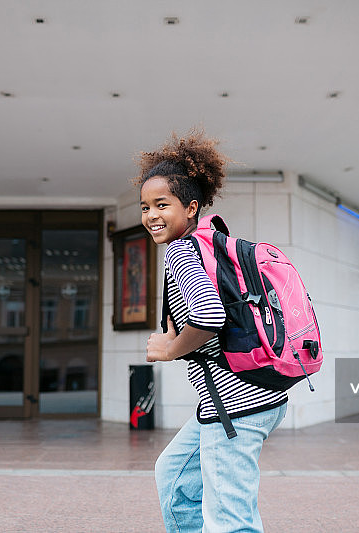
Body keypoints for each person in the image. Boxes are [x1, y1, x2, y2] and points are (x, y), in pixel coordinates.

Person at [134, 129, 288, 533]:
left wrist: (168, 349)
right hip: (244, 400)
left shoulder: (182, 251)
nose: (151, 215)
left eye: (162, 205)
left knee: (230, 520)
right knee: (174, 476)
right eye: (145, 206)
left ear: (190, 207)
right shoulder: (207, 241)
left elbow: (208, 315)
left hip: (237, 405)